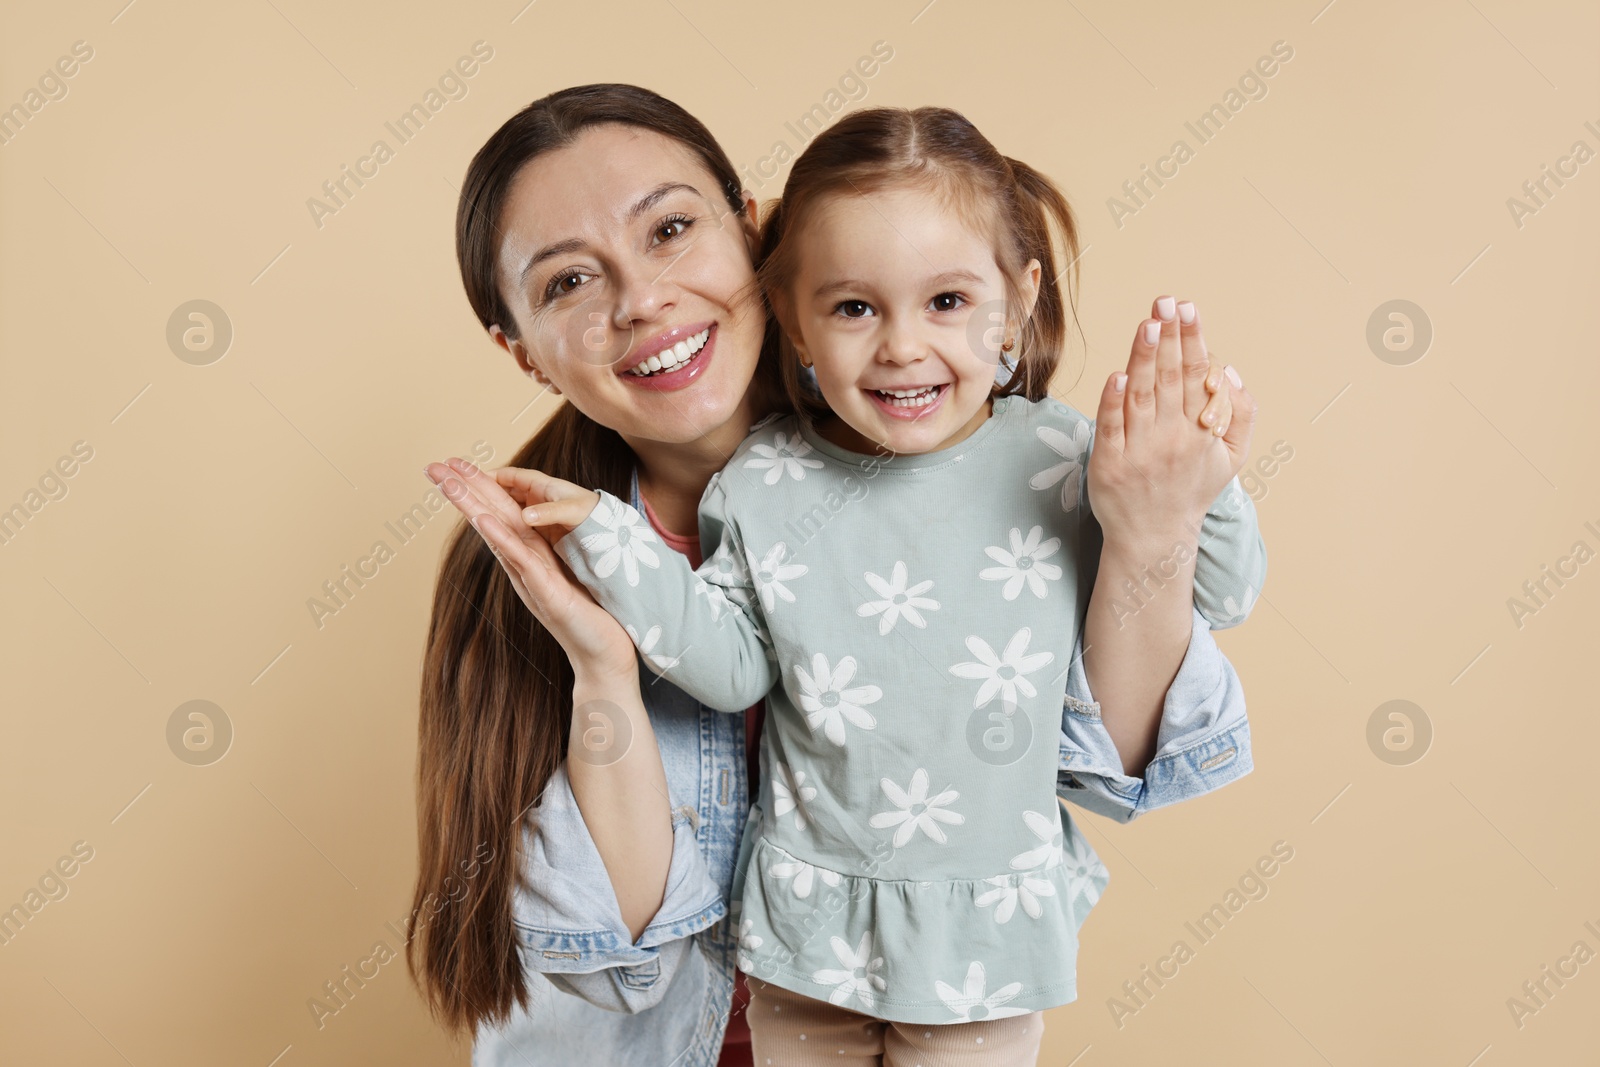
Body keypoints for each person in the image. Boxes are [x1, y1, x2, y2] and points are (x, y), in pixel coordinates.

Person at [410, 85, 1262, 1067]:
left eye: (671, 229)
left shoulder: (989, 456)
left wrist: (1155, 527)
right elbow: (621, 958)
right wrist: (605, 663)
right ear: (521, 351)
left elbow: (1111, 765)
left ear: (756, 236)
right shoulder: (531, 562)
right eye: (566, 283)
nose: (641, 299)